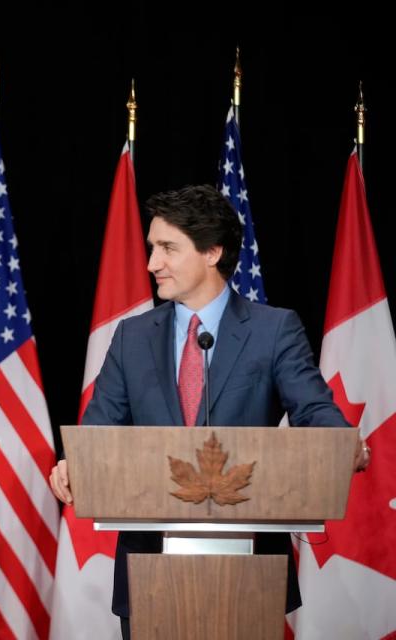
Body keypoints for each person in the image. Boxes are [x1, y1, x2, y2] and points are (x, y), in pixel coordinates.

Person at [48, 185, 369, 638]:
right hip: (147, 571)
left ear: (212, 251)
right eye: (151, 248)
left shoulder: (274, 330)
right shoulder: (131, 337)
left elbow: (315, 410)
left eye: (167, 249)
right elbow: (99, 429)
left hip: (250, 570)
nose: (151, 264)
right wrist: (73, 465)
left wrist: (344, 444)